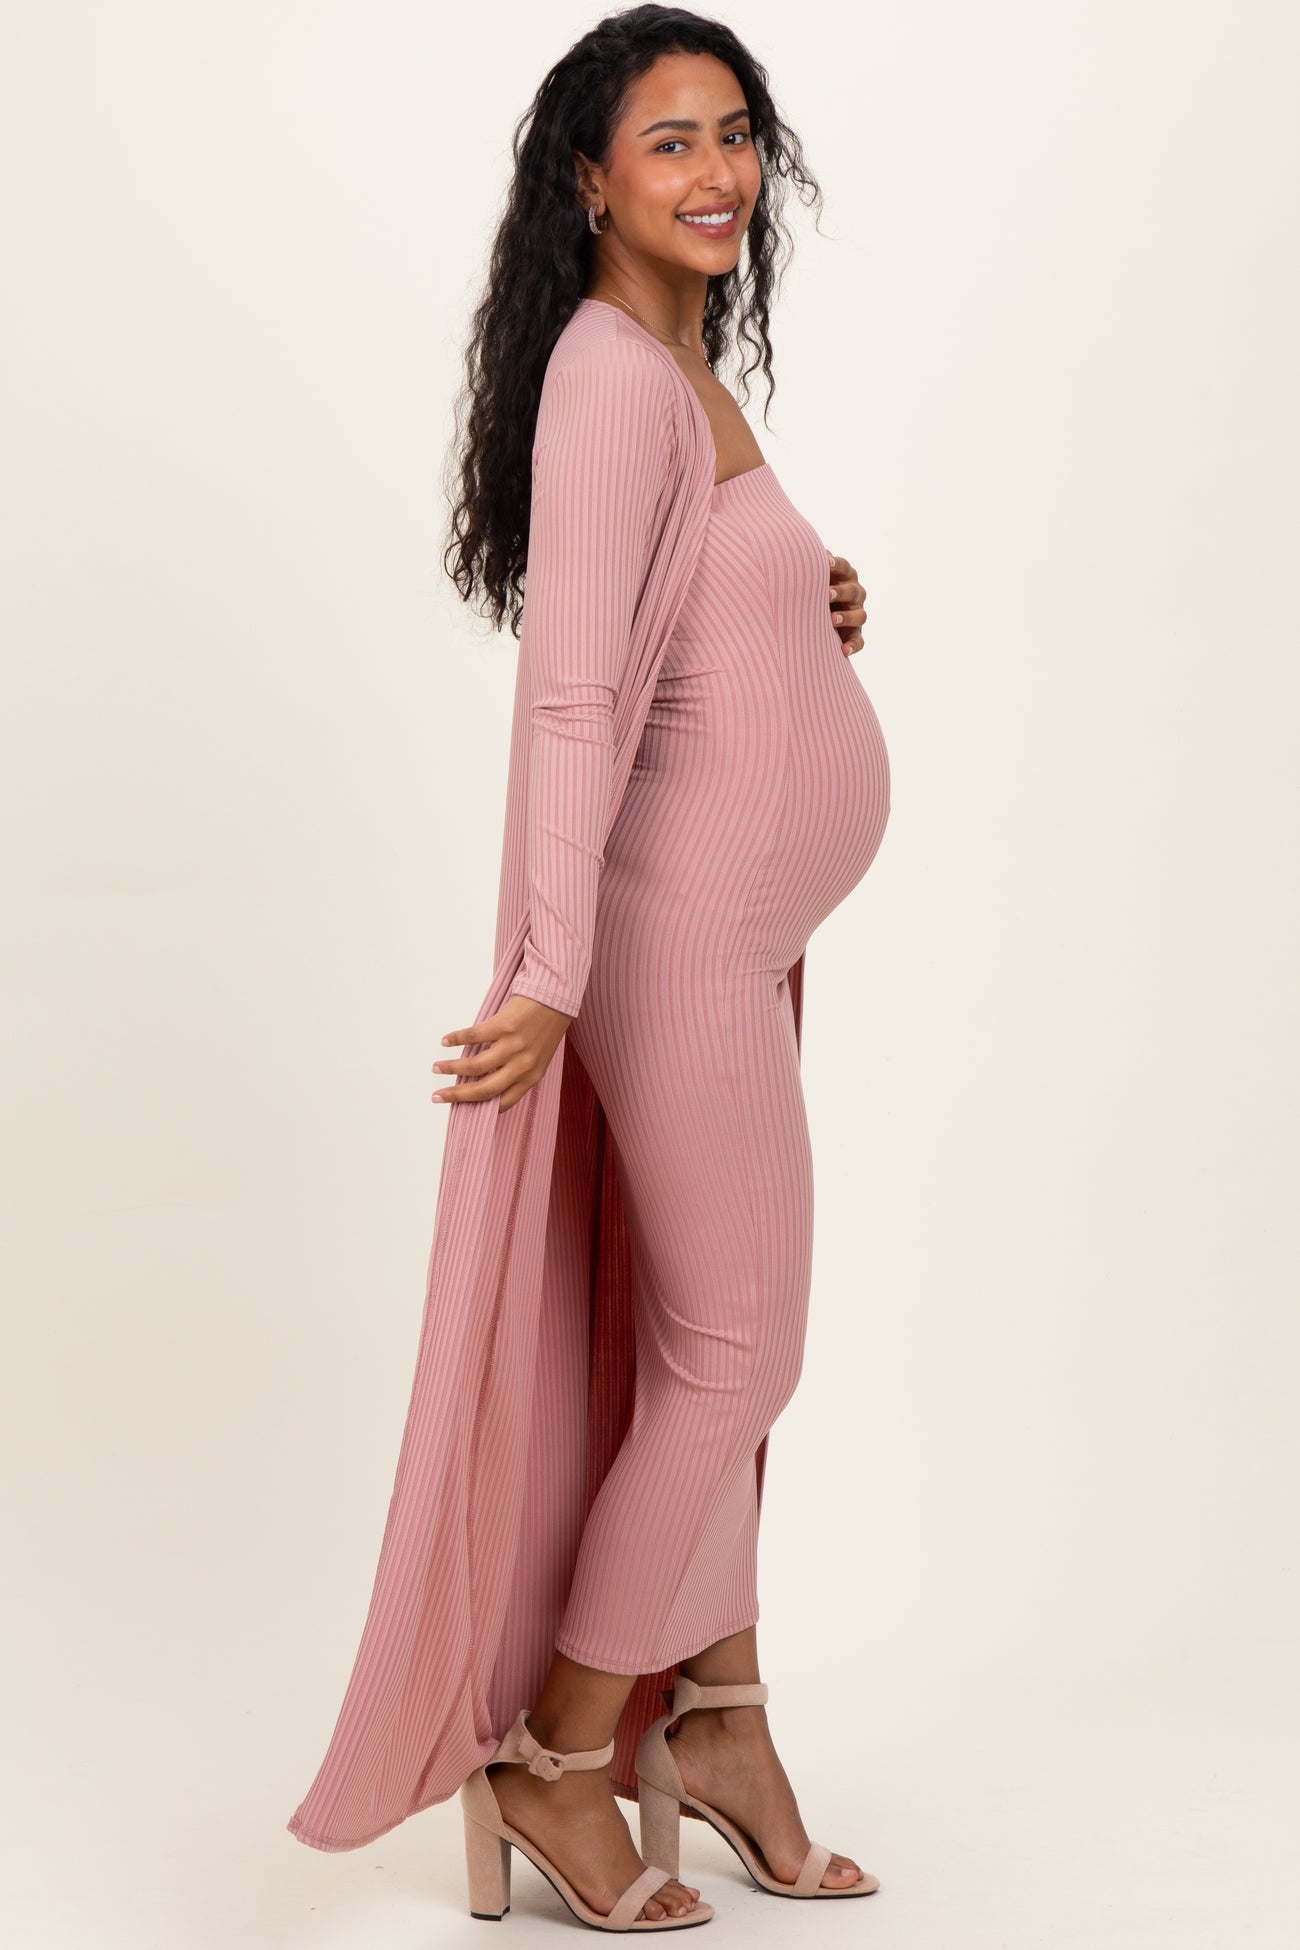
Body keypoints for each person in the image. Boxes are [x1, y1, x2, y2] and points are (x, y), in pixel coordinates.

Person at [287, 7, 889, 1932]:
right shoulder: (613, 379)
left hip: (743, 927)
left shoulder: (678, 362)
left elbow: (683, 618)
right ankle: (555, 1754)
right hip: (673, 932)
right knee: (737, 1350)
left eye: (737, 134)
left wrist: (807, 597)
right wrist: (550, 965)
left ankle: (720, 1718)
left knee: (721, 1345)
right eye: (671, 143)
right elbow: (571, 702)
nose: (718, 174)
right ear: (588, 180)